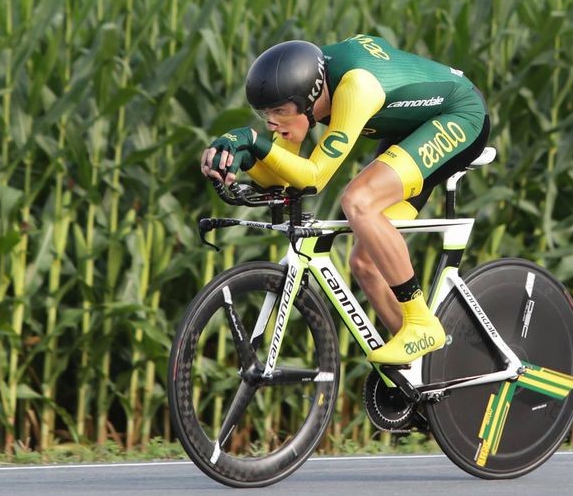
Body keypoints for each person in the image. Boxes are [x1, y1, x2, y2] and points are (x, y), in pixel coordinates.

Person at [199, 35, 490, 365]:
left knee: (359, 200)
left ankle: (422, 323)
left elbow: (312, 179)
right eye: (265, 114)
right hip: (412, 129)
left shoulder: (356, 88)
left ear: (309, 99)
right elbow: (283, 178)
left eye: (280, 112)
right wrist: (242, 155)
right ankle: (425, 373)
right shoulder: (307, 89)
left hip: (460, 115)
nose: (272, 123)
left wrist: (254, 141)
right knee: (365, 263)